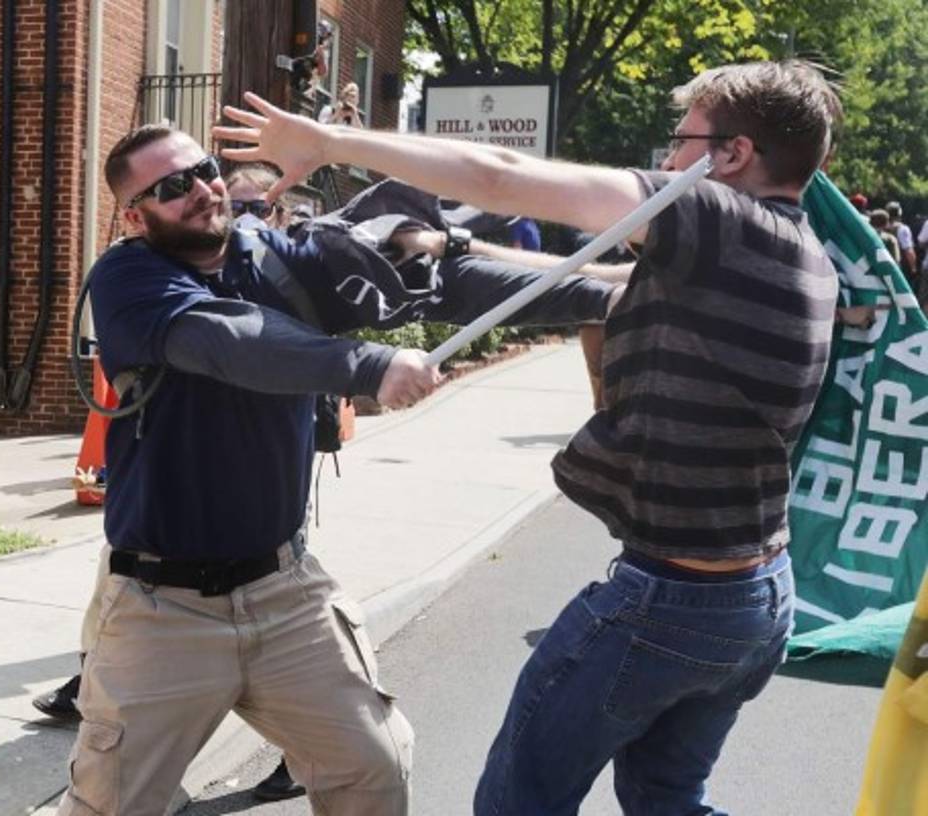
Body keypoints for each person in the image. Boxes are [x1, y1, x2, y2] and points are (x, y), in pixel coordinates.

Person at [218, 59, 841, 814]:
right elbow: (589, 278)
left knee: (519, 800)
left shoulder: (716, 218)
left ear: (730, 155)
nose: (665, 160)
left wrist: (330, 141)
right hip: (755, 598)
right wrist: (454, 253)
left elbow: (504, 175)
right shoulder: (793, 253)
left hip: (672, 599)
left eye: (679, 142)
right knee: (667, 797)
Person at [56, 124, 439, 816]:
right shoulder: (128, 279)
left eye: (203, 169)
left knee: (373, 766)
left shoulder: (271, 257)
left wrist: (610, 291)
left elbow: (425, 270)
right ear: (135, 216)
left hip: (286, 592)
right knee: (108, 807)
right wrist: (369, 365)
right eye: (171, 187)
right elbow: (229, 340)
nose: (201, 189)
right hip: (161, 607)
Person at [885, 200, 918, 289]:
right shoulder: (903, 229)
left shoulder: (882, 228)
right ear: (900, 213)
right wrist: (913, 268)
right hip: (900, 268)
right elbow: (908, 251)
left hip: (884, 266)